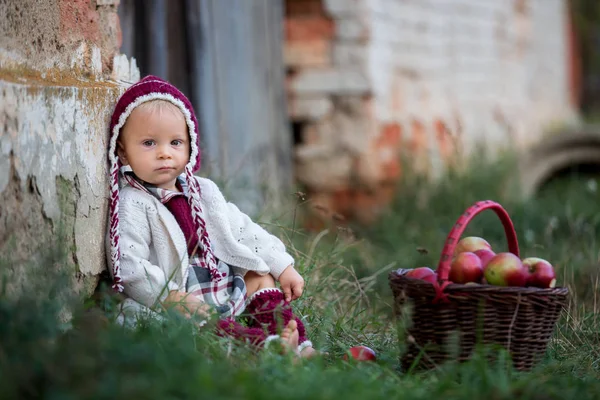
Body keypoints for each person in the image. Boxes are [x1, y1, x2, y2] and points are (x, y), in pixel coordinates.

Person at [105, 75, 315, 357]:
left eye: (175, 142)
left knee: (259, 275)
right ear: (123, 152)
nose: (165, 154)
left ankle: (292, 343)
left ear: (190, 146)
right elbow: (129, 264)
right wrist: (168, 297)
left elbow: (242, 229)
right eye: (149, 143)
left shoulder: (203, 190)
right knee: (186, 320)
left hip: (219, 280)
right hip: (182, 291)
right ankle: (254, 347)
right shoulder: (132, 203)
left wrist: (281, 265)